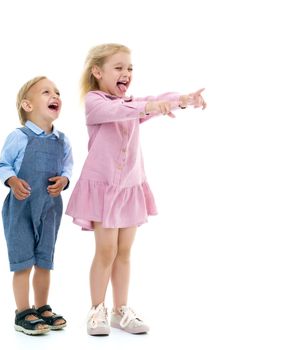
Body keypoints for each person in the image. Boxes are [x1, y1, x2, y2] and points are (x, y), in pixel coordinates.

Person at [65, 43, 207, 336]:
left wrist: (182, 100)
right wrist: (150, 106)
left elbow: (147, 102)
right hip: (104, 189)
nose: (126, 73)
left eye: (129, 68)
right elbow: (126, 109)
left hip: (130, 187)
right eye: (118, 67)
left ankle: (120, 310)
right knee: (106, 250)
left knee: (125, 252)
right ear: (97, 71)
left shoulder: (129, 104)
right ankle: (96, 309)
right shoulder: (95, 102)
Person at [0, 76, 73, 335]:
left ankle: (42, 307)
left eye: (57, 92)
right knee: (23, 262)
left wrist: (64, 180)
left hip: (49, 209)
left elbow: (67, 167)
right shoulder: (19, 137)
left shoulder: (62, 140)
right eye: (46, 92)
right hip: (22, 209)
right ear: (27, 105)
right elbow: (2, 165)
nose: (55, 95)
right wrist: (13, 180)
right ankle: (22, 312)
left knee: (44, 261)